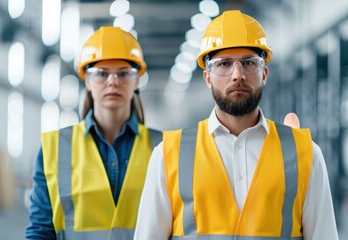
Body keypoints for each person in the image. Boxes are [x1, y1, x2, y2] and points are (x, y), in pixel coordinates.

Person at [133, 10, 338, 240]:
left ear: (265, 73)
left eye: (249, 63)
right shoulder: (168, 155)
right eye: (224, 64)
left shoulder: (306, 154)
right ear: (207, 77)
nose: (237, 75)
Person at [26, 26, 161, 240]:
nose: (112, 82)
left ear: (136, 81)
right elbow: (41, 230)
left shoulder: (163, 147)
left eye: (123, 73)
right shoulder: (55, 148)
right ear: (87, 80)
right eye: (102, 73)